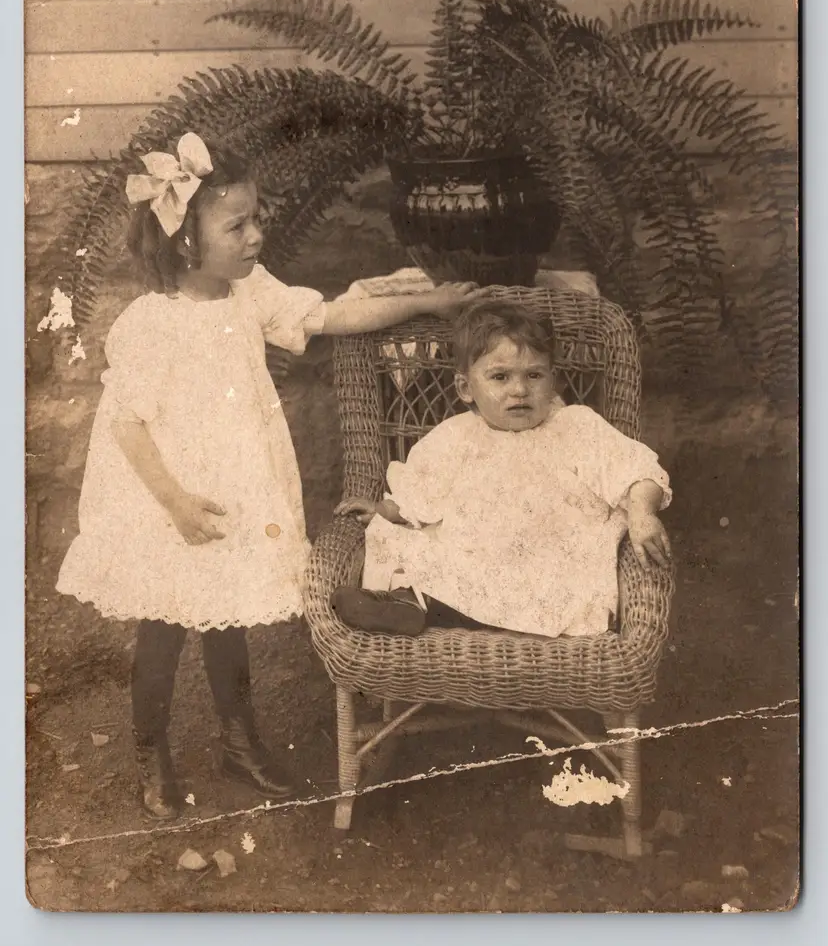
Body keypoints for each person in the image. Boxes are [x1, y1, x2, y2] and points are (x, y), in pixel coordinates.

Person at [56, 132, 486, 821]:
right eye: (238, 225)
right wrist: (172, 503)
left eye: (257, 219)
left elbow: (326, 314)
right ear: (187, 243)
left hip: (233, 486)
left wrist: (425, 304)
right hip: (170, 496)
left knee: (228, 618)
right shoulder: (150, 323)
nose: (256, 236)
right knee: (163, 628)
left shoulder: (248, 291)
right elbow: (128, 425)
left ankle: (238, 739)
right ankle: (150, 751)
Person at [333, 299, 672, 639]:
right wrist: (383, 511)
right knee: (396, 540)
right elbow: (417, 498)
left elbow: (638, 470)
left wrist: (643, 513)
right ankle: (407, 604)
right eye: (500, 377)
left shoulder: (576, 427)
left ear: (552, 381)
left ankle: (438, 608)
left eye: (534, 375)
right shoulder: (454, 437)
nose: (520, 390)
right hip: (472, 561)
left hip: (550, 568)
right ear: (466, 388)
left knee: (551, 581)